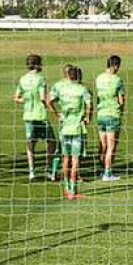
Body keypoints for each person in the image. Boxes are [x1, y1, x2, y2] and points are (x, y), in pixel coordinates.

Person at [49, 65, 92, 199]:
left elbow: (49, 101)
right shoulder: (82, 89)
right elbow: (90, 106)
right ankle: (73, 190)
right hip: (77, 129)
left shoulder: (62, 89)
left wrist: (57, 114)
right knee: (75, 159)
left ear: (68, 75)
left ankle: (66, 188)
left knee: (65, 159)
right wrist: (87, 117)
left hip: (64, 128)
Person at [14, 54, 58, 181]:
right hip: (40, 115)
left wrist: (26, 100)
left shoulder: (22, 79)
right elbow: (43, 98)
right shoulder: (41, 79)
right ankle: (49, 169)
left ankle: (32, 171)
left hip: (28, 115)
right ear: (37, 64)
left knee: (30, 144)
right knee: (51, 142)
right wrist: (51, 108)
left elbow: (16, 97)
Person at [95, 55, 125, 181]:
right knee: (111, 146)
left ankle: (100, 169)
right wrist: (121, 110)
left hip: (101, 114)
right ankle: (107, 173)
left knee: (103, 144)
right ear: (116, 66)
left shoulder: (99, 78)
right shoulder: (117, 80)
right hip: (112, 114)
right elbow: (121, 100)